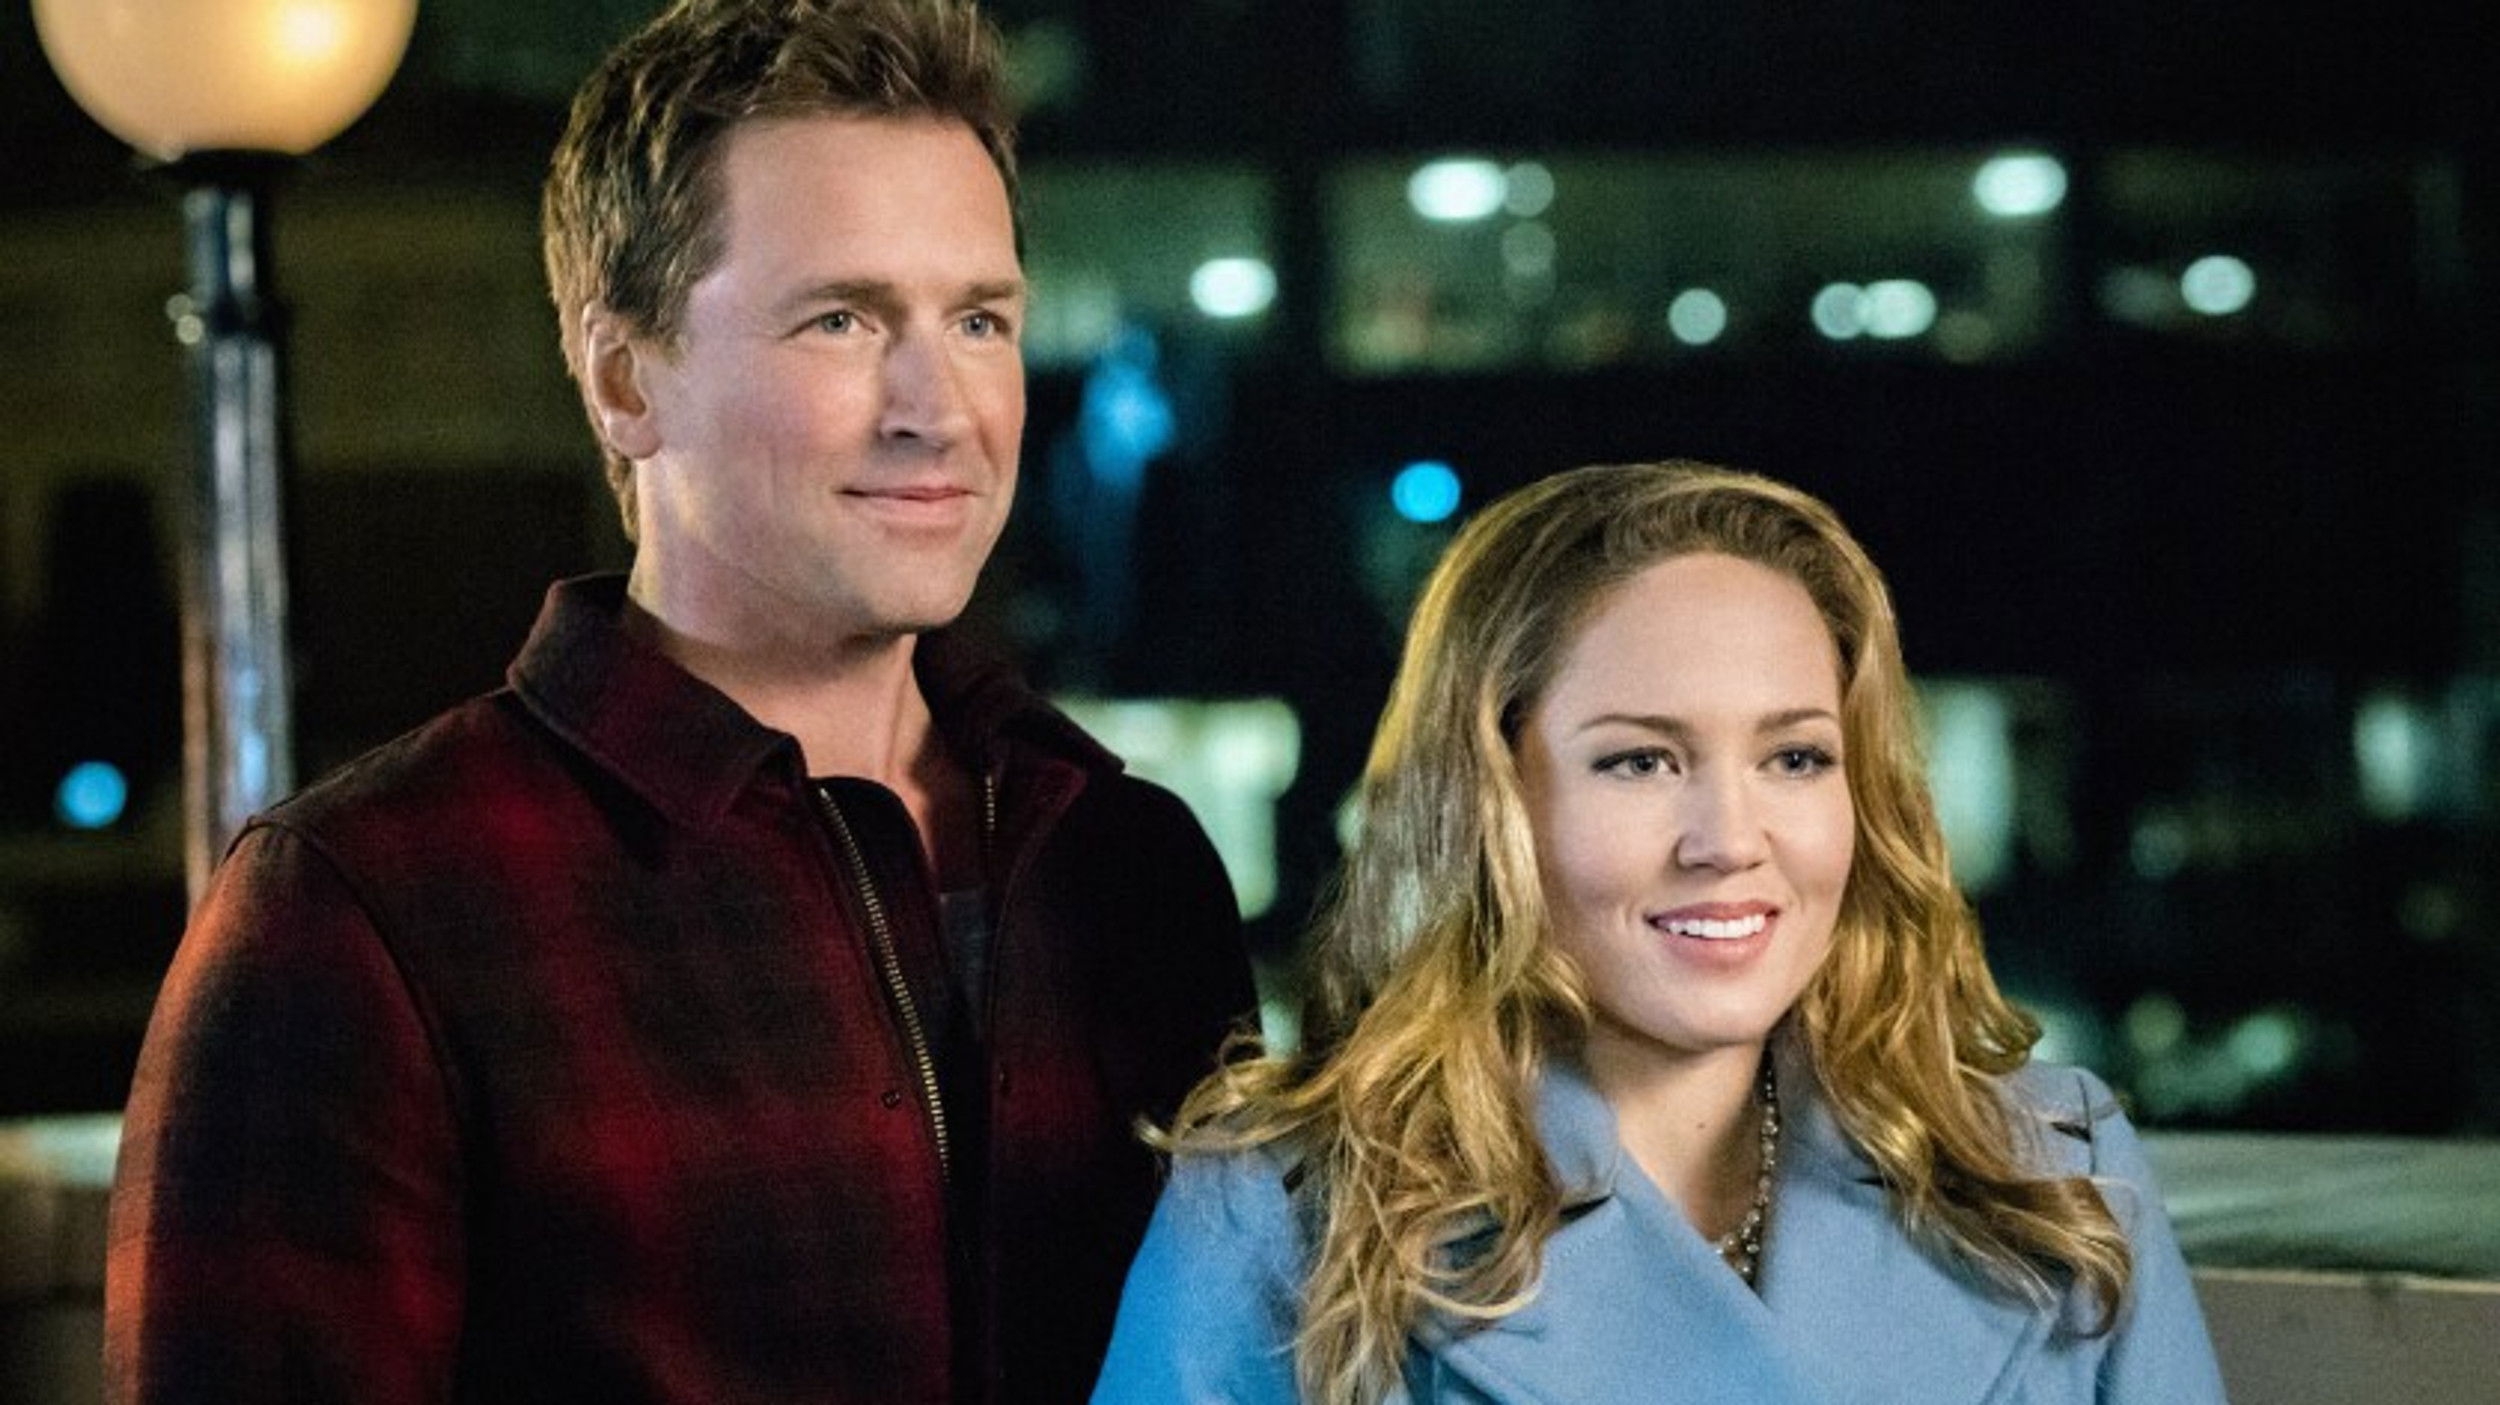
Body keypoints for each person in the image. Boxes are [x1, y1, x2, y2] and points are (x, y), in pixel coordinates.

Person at [105, 2, 1252, 1401]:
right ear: (622, 379)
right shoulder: (364, 910)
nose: (939, 407)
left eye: (978, 320)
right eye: (841, 319)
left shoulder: (1134, 870)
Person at [1093, 462, 2226, 1403]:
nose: (1729, 839)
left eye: (1795, 757)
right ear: (1490, 803)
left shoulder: (2053, 1177)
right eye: (1640, 761)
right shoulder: (1285, 1218)